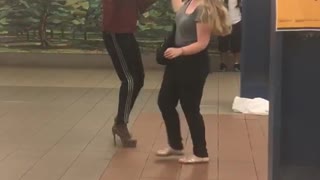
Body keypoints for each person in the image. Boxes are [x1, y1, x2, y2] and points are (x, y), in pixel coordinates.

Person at [156, 0, 231, 163]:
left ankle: (201, 153)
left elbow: (202, 43)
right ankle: (175, 145)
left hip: (193, 64)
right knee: (165, 102)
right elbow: (177, 7)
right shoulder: (187, 3)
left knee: (190, 108)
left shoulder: (203, 9)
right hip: (176, 62)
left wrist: (180, 50)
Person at [102, 0, 157, 148]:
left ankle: (120, 121)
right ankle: (120, 124)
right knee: (130, 79)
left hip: (127, 32)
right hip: (115, 33)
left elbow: (141, 5)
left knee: (139, 78)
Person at [219, 0, 242, 71]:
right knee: (222, 44)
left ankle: (237, 63)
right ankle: (223, 64)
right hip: (223, 22)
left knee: (236, 43)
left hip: (236, 21)